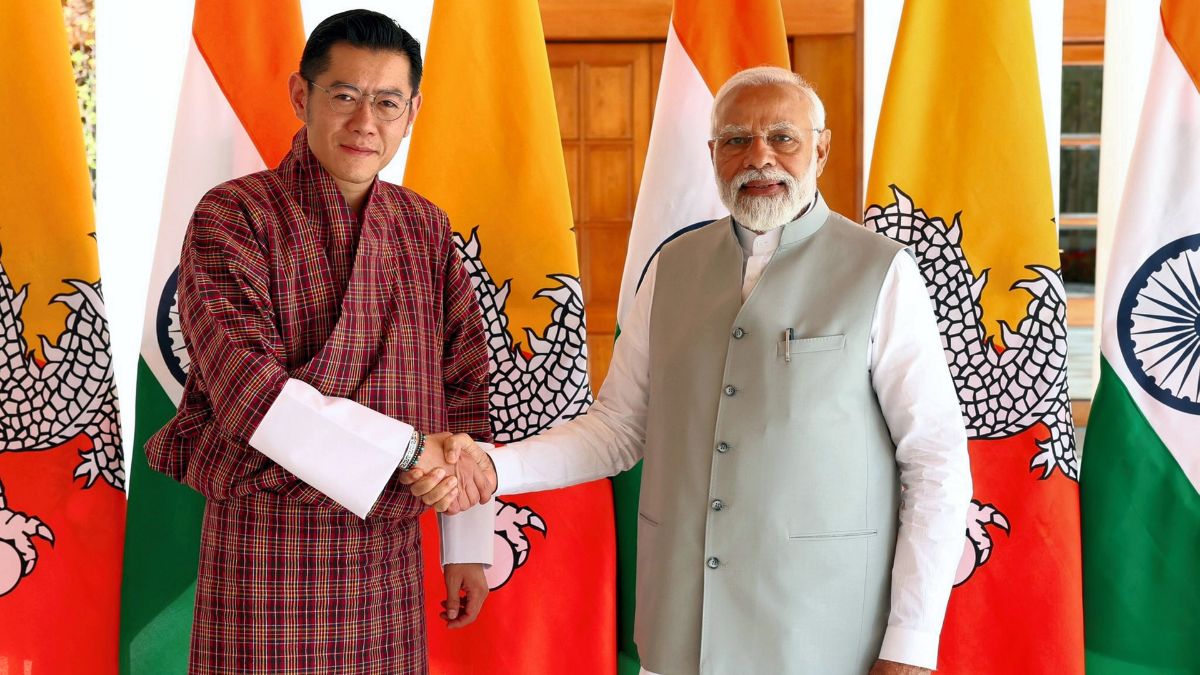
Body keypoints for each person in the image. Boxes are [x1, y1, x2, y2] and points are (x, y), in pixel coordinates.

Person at [409, 66, 972, 675]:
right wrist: (494, 468)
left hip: (823, 636)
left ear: (821, 149)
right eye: (736, 140)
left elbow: (935, 462)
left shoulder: (881, 271)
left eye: (783, 137)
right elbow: (618, 428)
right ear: (712, 154)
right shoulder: (672, 266)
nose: (759, 157)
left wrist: (910, 644)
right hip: (682, 630)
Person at [146, 10, 498, 674]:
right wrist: (407, 449)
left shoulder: (424, 227)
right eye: (344, 94)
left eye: (387, 102)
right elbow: (248, 391)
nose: (366, 121)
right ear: (300, 95)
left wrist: (467, 544)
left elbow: (464, 385)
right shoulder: (234, 215)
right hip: (267, 551)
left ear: (412, 112)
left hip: (388, 555)